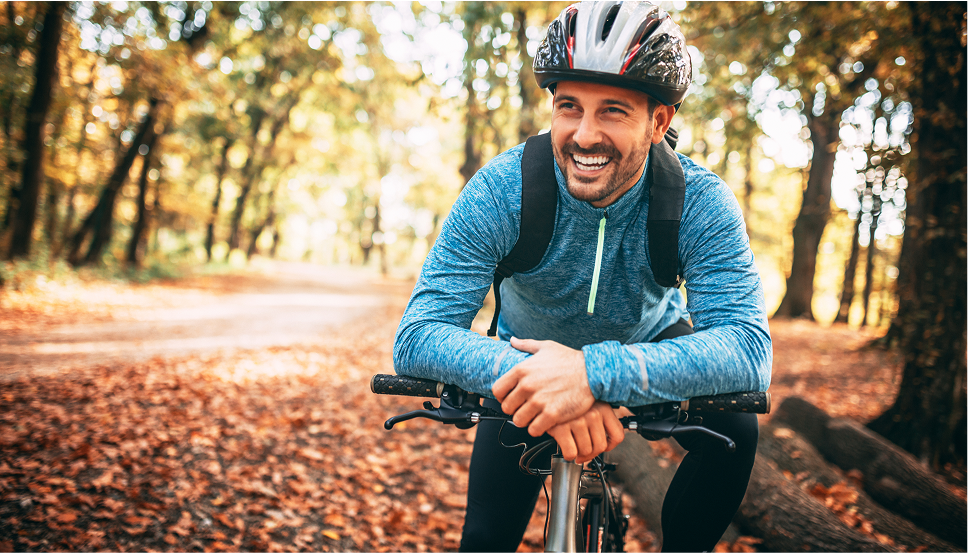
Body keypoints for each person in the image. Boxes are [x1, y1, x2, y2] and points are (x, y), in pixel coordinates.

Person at [393, 2, 772, 552]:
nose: (584, 135)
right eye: (569, 107)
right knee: (484, 540)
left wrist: (592, 375)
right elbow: (417, 335)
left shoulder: (699, 200)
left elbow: (748, 349)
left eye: (613, 111)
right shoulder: (503, 189)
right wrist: (546, 378)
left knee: (738, 425)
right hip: (524, 368)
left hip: (645, 344)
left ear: (658, 122)